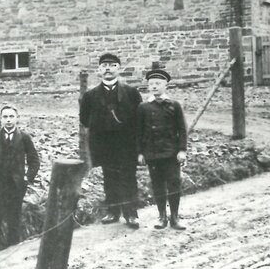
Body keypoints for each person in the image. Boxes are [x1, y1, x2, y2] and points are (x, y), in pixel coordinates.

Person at [79, 52, 142, 228]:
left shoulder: (131, 93)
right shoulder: (90, 96)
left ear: (118, 69)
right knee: (109, 177)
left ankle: (131, 214)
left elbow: (139, 119)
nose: (108, 68)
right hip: (104, 144)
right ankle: (113, 212)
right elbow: (84, 119)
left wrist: (137, 146)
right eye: (104, 65)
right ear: (99, 70)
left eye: (112, 65)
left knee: (128, 177)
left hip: (126, 144)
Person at [136, 68, 188, 231]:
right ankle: (161, 216)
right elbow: (138, 132)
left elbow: (182, 129)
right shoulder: (143, 107)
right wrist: (140, 152)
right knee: (157, 185)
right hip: (152, 153)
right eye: (151, 84)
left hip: (171, 153)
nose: (154, 87)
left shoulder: (174, 106)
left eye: (158, 84)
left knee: (174, 184)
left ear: (165, 85)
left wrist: (182, 150)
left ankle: (174, 217)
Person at [0, 105, 40, 249]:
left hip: (16, 186)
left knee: (14, 218)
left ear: (17, 118)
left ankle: (13, 250)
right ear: (0, 119)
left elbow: (34, 161)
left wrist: (26, 178)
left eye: (11, 117)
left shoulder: (24, 138)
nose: (8, 120)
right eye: (5, 117)